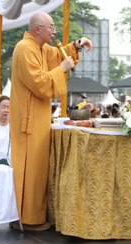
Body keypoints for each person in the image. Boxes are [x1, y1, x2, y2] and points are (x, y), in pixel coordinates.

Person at [10, 12, 93, 231]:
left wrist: (76, 45)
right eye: (51, 27)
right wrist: (62, 69)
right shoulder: (25, 48)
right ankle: (26, 219)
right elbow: (39, 82)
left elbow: (57, 55)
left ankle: (30, 216)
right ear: (38, 29)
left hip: (38, 117)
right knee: (31, 169)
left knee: (38, 168)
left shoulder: (38, 48)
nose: (54, 31)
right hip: (28, 120)